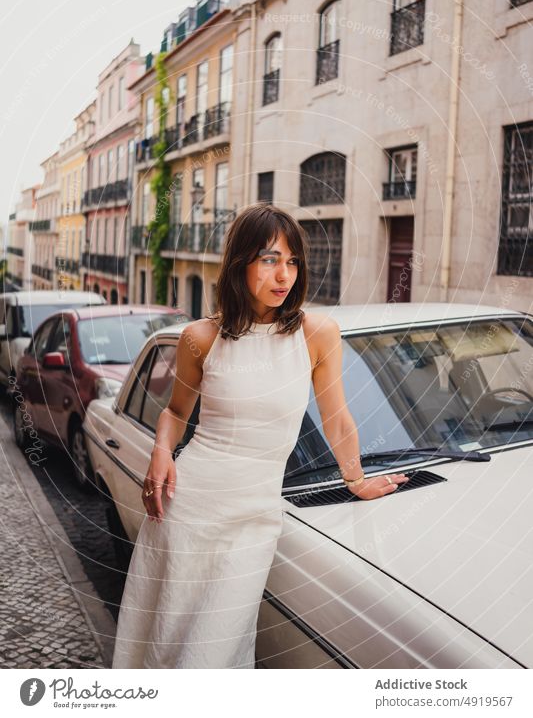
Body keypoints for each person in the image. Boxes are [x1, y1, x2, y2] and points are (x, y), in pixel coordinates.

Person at [111, 202, 409, 669]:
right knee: (165, 641)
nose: (284, 274)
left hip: (254, 518)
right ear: (240, 263)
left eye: (292, 262)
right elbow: (173, 412)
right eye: (270, 259)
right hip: (187, 508)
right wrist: (161, 453)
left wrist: (356, 480)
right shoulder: (201, 338)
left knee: (214, 652)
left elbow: (337, 420)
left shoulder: (317, 334)